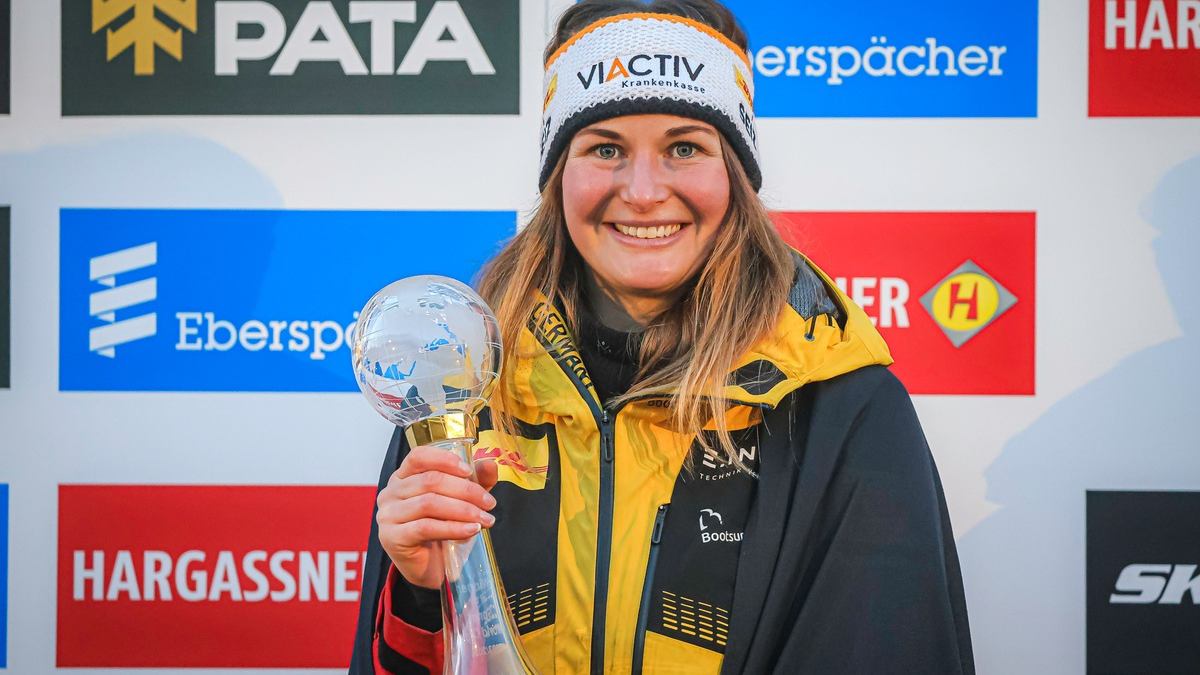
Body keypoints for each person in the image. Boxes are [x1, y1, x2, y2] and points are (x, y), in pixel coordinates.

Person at [350, 1, 974, 674]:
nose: (643, 191)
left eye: (684, 148)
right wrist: (423, 596)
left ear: (734, 173)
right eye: (606, 149)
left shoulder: (841, 407)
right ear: (559, 174)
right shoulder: (468, 393)